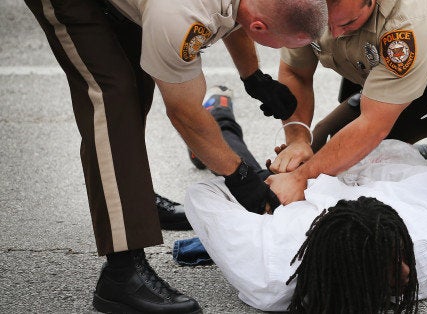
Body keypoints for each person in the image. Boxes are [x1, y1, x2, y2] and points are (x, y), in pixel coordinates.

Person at [23, 0, 327, 312]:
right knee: (112, 97)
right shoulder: (180, 15)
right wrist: (239, 177)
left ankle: (132, 202)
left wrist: (252, 76)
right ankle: (121, 274)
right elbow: (185, 113)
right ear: (262, 29)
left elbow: (241, 15)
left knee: (136, 86)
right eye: (281, 44)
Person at [265, 0, 427, 288]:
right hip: (382, 89)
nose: (334, 35)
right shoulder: (308, 7)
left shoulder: (411, 19)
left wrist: (301, 175)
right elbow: (296, 73)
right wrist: (298, 139)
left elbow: (372, 125)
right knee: (324, 152)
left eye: (347, 25)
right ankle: (412, 162)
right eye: (325, 26)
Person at [182, 86, 427, 311]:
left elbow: (202, 194)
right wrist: (316, 173)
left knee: (240, 167)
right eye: (392, 260)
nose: (407, 271)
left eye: (395, 258)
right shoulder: (425, 240)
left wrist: (254, 187)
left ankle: (218, 114)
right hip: (357, 176)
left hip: (275, 214)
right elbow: (403, 160)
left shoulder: (266, 275)